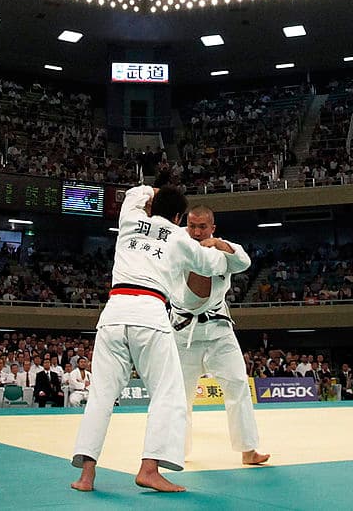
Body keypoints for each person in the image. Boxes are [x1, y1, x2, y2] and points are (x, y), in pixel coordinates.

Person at [71, 179, 234, 494]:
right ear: (177, 218)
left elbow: (134, 193)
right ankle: (150, 469)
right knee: (168, 394)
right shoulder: (180, 237)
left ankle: (86, 476)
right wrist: (220, 246)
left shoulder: (130, 220)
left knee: (102, 395)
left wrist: (153, 194)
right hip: (149, 315)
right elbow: (212, 263)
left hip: (113, 315)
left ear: (151, 207)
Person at [171, 204, 269, 466]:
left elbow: (245, 262)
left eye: (203, 227)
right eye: (192, 225)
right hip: (183, 332)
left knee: (238, 386)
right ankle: (175, 451)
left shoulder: (224, 250)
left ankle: (248, 450)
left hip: (218, 330)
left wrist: (219, 245)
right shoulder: (177, 243)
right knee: (180, 396)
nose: (197, 231)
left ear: (212, 227)